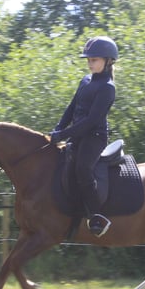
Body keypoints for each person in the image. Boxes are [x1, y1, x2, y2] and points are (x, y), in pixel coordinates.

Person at [50, 36, 118, 237]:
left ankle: (97, 215)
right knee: (63, 166)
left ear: (108, 61)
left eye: (94, 60)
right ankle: (71, 212)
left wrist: (63, 134)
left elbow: (90, 121)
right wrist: (58, 128)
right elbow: (72, 108)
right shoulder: (86, 80)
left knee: (82, 168)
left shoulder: (107, 87)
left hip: (94, 137)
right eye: (88, 60)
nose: (90, 63)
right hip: (77, 135)